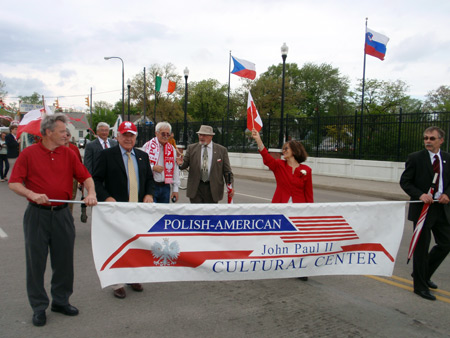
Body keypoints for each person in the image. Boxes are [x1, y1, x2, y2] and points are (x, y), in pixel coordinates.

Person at [8, 114, 97, 327]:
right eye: (62, 131)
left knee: (64, 262)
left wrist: (91, 192)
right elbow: (14, 183)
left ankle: (60, 301)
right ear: (48, 132)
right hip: (37, 215)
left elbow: (85, 177)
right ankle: (39, 306)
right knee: (36, 263)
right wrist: (31, 194)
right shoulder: (29, 154)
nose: (66, 134)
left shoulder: (68, 154)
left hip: (63, 214)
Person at [93, 121, 154, 299]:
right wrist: (106, 197)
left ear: (136, 137)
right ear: (118, 136)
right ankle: (117, 282)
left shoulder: (143, 156)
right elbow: (95, 180)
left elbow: (150, 179)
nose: (128, 139)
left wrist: (149, 194)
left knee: (134, 244)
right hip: (115, 210)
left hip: (137, 210)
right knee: (116, 245)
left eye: (131, 135)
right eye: (124, 135)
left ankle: (131, 276)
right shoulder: (106, 155)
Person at [252, 129, 313, 281]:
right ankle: (275, 263)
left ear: (295, 151)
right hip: (280, 207)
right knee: (278, 237)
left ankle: (300, 268)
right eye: (283, 149)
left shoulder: (306, 170)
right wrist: (258, 140)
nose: (283, 151)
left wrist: (311, 211)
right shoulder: (279, 165)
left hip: (299, 210)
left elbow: (308, 193)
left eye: (286, 148)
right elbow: (266, 158)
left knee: (299, 239)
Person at [400, 126, 450, 301]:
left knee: (446, 243)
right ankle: (420, 286)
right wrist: (420, 194)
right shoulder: (416, 158)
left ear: (441, 140)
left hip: (441, 209)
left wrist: (447, 195)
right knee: (421, 248)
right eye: (426, 138)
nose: (428, 141)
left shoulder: (447, 158)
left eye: (432, 138)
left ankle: (423, 273)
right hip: (423, 209)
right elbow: (405, 182)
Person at [180, 125, 234, 203]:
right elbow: (184, 164)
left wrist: (230, 186)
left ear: (211, 136)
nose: (201, 137)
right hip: (196, 188)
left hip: (213, 189)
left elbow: (227, 171)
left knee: (210, 214)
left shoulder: (221, 150)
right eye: (200, 135)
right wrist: (180, 164)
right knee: (197, 213)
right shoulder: (191, 148)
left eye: (204, 135)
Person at [143, 122, 180, 203]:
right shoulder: (147, 146)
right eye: (163, 134)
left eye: (168, 134)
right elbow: (141, 165)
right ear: (156, 133)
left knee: (164, 213)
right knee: (152, 212)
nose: (166, 136)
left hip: (166, 186)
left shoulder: (172, 149)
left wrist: (175, 189)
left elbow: (175, 170)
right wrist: (153, 167)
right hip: (151, 185)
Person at [65, 128, 83, 213]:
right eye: (63, 135)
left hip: (72, 179)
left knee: (70, 202)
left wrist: (80, 182)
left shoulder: (74, 148)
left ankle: (68, 218)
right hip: (58, 178)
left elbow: (79, 165)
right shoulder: (54, 147)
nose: (65, 137)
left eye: (67, 135)